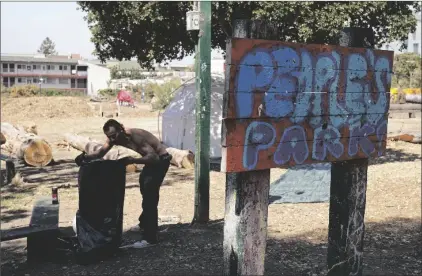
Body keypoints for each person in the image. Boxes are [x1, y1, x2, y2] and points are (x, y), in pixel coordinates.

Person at [76, 119, 172, 248]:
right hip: (151, 161)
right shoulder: (113, 138)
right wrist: (85, 157)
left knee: (150, 196)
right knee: (144, 186)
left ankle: (150, 238)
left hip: (161, 160)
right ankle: (144, 223)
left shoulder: (135, 136)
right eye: (110, 137)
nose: (113, 139)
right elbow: (100, 153)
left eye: (114, 135)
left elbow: (154, 158)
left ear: (121, 129)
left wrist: (133, 160)